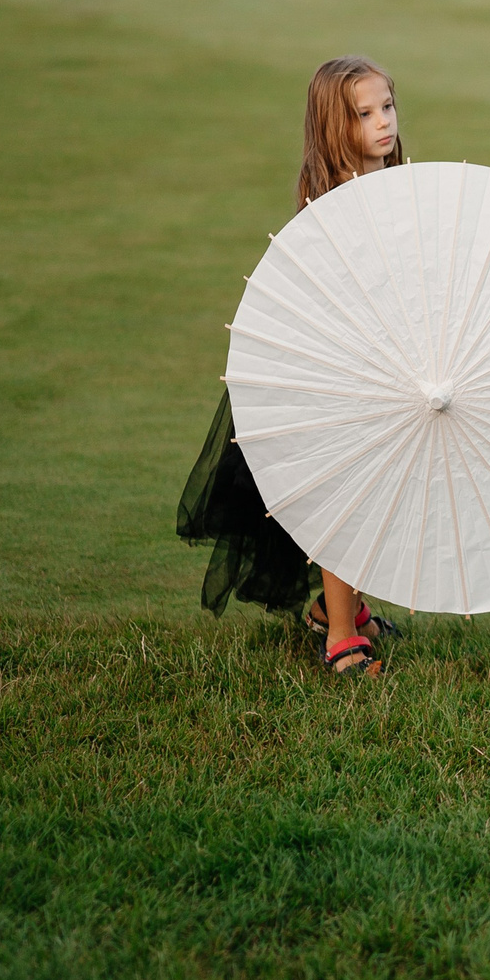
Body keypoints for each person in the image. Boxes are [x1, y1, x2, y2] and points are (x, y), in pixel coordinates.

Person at [177, 56, 408, 677]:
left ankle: (344, 611)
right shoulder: (331, 203)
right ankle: (340, 639)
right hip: (341, 374)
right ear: (335, 127)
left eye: (388, 107)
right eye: (364, 114)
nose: (383, 123)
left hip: (390, 367)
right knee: (346, 502)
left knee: (382, 490)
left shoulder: (403, 188)